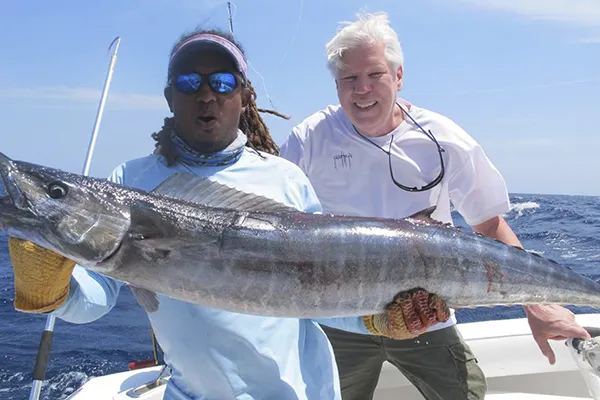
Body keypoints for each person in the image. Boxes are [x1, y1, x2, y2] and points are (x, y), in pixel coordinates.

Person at [7, 28, 452, 400]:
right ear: (169, 96)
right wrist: (53, 289)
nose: (205, 96)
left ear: (243, 97)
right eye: (188, 83)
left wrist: (377, 318)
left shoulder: (284, 177)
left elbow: (313, 294)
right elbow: (96, 301)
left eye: (221, 83)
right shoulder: (131, 179)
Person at [280, 11, 591, 400]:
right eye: (349, 78)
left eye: (374, 74)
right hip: (338, 323)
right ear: (336, 84)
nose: (362, 89)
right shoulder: (309, 138)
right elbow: (277, 228)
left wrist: (539, 306)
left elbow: (489, 225)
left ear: (398, 77)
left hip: (424, 318)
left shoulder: (443, 138)